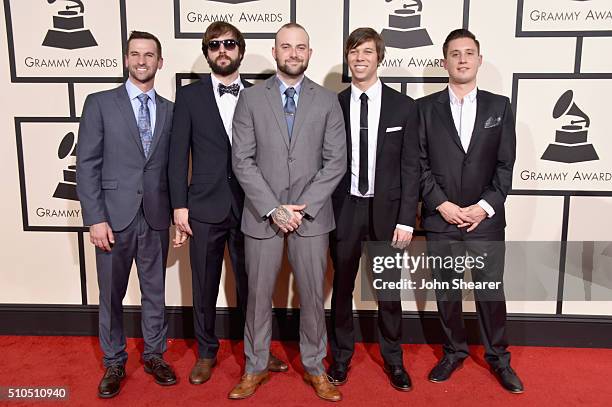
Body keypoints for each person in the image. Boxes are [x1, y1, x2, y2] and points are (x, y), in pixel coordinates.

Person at [229, 23, 346, 402]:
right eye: (285, 47)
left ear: (309, 54)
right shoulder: (250, 99)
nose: (292, 53)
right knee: (258, 296)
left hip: (311, 219)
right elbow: (242, 161)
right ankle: (254, 366)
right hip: (263, 216)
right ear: (275, 51)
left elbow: (336, 163)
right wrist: (274, 209)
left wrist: (300, 209)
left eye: (300, 47)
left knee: (312, 297)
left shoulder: (328, 101)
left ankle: (315, 367)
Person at [168, 21, 287, 385]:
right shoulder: (189, 98)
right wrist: (179, 206)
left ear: (240, 50)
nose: (223, 50)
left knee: (255, 285)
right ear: (207, 53)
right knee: (203, 284)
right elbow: (177, 156)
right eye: (215, 44)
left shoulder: (260, 96)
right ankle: (206, 352)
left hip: (252, 207)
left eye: (230, 44)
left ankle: (259, 351)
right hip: (203, 207)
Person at [418, 28, 523, 393]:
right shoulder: (425, 108)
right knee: (446, 292)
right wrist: (442, 206)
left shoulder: (499, 106)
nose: (462, 59)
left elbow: (506, 166)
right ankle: (453, 352)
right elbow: (419, 165)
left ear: (479, 59)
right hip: (441, 220)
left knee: (490, 293)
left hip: (485, 222)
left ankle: (498, 358)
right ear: (444, 61)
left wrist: (482, 208)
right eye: (454, 54)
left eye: (468, 53)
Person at [76, 31, 176, 398]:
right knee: (111, 294)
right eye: (135, 54)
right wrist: (95, 217)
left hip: (154, 216)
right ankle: (114, 361)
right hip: (112, 218)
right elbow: (86, 164)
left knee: (155, 292)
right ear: (126, 59)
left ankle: (154, 355)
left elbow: (172, 169)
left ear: (160, 62)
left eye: (149, 54)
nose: (142, 60)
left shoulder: (170, 109)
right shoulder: (100, 103)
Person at [327, 27, 419, 392]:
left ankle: (394, 361)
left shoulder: (403, 106)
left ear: (379, 57)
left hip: (388, 212)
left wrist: (405, 219)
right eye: (353, 51)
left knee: (388, 290)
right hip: (345, 208)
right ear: (347, 59)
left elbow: (411, 167)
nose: (359, 57)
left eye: (366, 51)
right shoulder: (332, 103)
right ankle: (341, 357)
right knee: (342, 287)